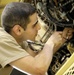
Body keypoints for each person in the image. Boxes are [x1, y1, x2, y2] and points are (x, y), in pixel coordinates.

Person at [0, 2, 73, 75]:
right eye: (34, 25)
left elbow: (37, 58)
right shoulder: (1, 40)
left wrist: (62, 39)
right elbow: (38, 69)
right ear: (18, 30)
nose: (39, 27)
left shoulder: (18, 40)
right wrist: (51, 42)